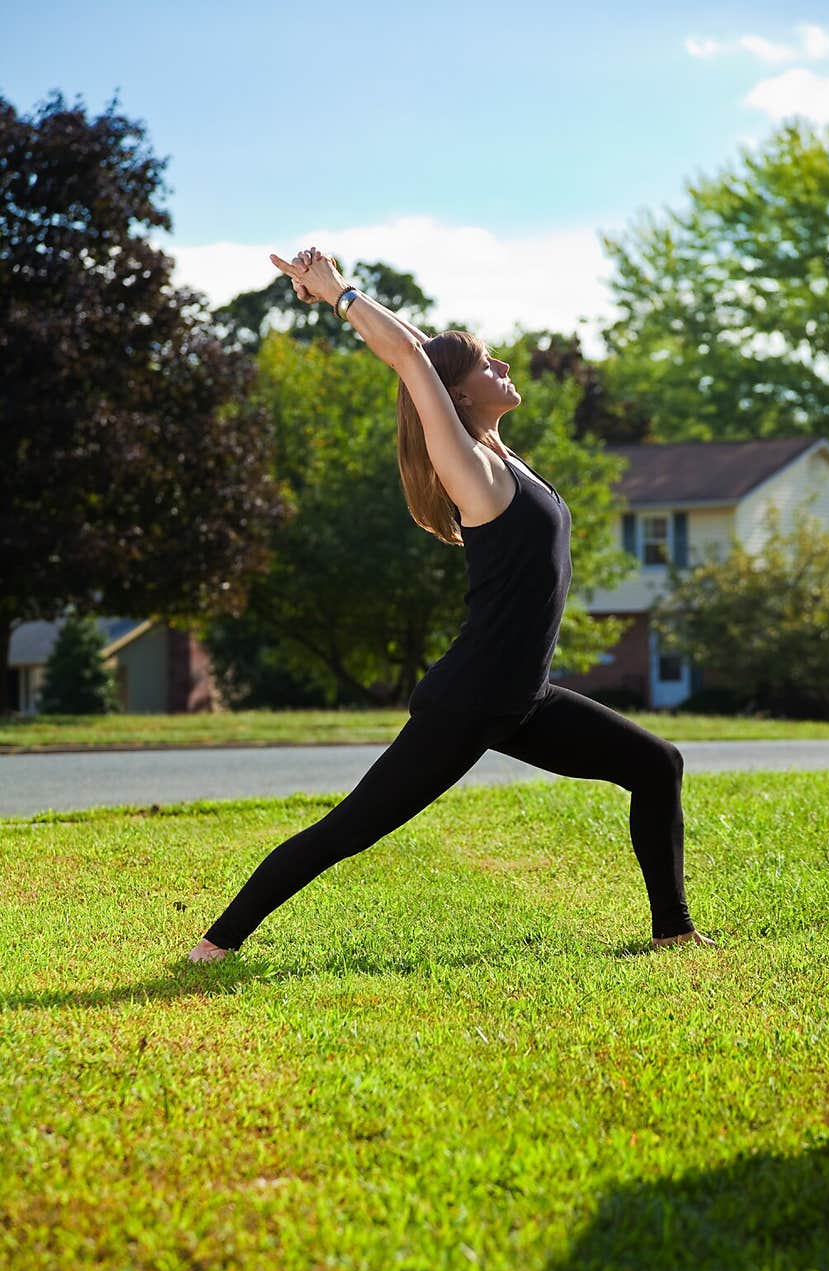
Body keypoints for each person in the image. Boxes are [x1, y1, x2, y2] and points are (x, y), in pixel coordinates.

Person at [187, 245, 715, 963]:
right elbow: (410, 358)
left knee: (658, 764)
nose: (504, 369)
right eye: (487, 366)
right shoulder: (469, 466)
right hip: (469, 701)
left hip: (520, 697)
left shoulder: (505, 459)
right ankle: (213, 948)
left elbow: (421, 354)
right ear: (459, 396)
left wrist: (375, 315)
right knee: (348, 831)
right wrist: (338, 294)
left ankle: (674, 932)